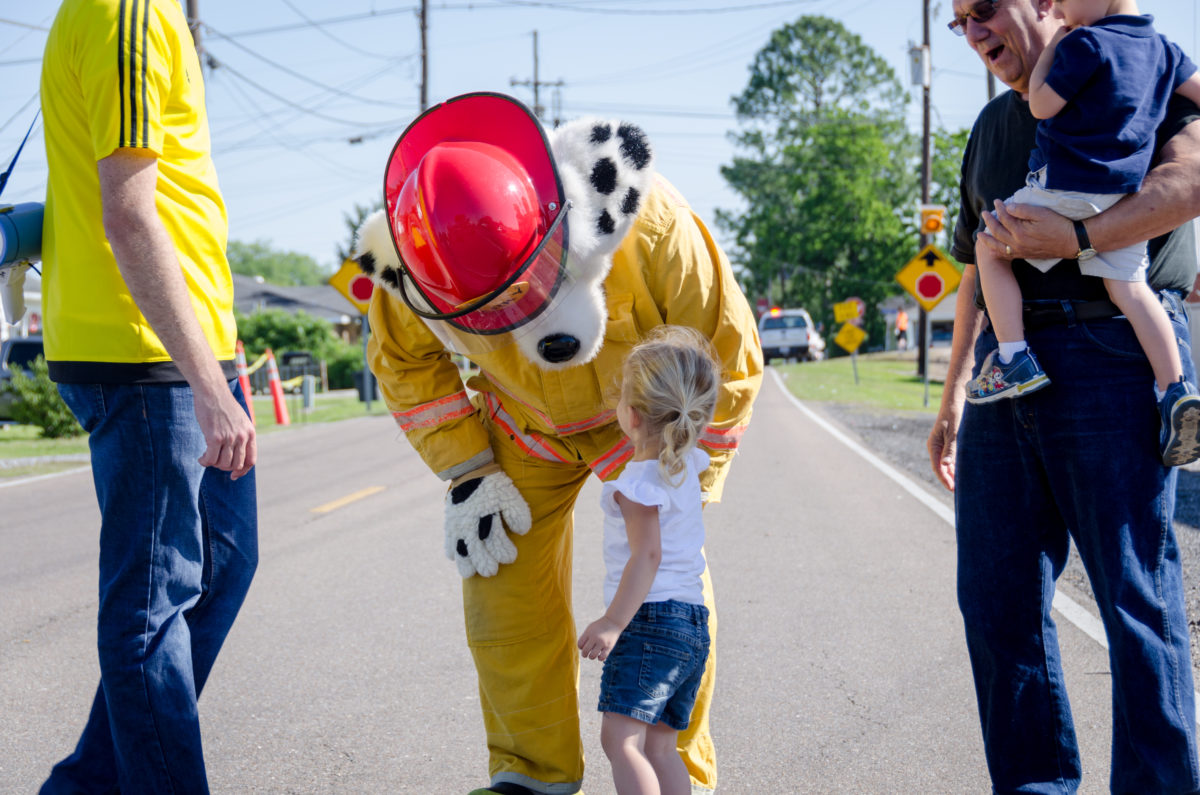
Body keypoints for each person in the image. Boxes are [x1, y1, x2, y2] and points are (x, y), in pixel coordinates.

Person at [352, 92, 762, 795]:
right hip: (522, 427)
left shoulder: (654, 226)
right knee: (501, 587)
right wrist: (469, 470)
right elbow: (406, 364)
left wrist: (683, 465)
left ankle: (677, 767)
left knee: (666, 588)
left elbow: (723, 350)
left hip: (640, 424)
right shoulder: (409, 260)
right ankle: (530, 775)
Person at [929, 0, 1200, 790]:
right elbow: (974, 276)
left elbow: (1188, 180)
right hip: (1005, 365)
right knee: (995, 598)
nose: (976, 33)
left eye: (986, 11)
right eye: (961, 24)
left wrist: (1079, 238)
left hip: (1115, 349)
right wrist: (949, 398)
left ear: (1043, 1)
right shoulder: (989, 128)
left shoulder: (1142, 69)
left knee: (1133, 595)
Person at [38, 1, 258, 792]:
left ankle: (85, 784)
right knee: (150, 609)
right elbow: (130, 215)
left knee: (227, 561)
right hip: (145, 358)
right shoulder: (122, 11)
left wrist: (225, 362)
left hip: (191, 349)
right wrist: (207, 383)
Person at [965, 0, 1200, 467]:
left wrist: (1055, 48)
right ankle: (1175, 389)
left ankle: (1014, 358)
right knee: (1131, 290)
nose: (1060, 6)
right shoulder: (1164, 50)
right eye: (961, 23)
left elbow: (1042, 104)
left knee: (989, 246)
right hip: (1123, 196)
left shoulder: (1086, 43)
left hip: (1068, 188)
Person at [577, 326, 719, 795]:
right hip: (693, 625)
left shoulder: (636, 483)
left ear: (632, 417)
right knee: (660, 748)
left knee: (622, 742)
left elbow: (648, 554)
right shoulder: (688, 466)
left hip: (649, 621)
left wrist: (614, 622)